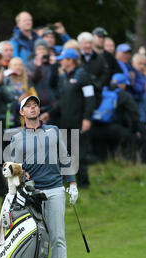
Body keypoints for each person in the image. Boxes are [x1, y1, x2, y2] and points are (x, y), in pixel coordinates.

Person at [10, 95, 78, 258]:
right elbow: (15, 169)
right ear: (21, 112)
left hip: (55, 189)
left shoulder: (53, 130)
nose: (33, 108)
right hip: (32, 193)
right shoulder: (16, 138)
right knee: (30, 236)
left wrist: (72, 183)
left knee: (57, 235)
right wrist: (22, 176)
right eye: (28, 106)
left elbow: (64, 158)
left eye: (35, 105)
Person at [41, 48, 96, 188]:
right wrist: (50, 113)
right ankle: (67, 182)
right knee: (65, 153)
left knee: (80, 153)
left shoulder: (83, 76)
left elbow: (90, 98)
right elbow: (61, 101)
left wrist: (87, 118)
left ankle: (84, 184)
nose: (61, 63)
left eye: (63, 60)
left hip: (79, 121)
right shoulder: (64, 78)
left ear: (70, 60)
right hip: (65, 122)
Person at [25, 39, 59, 115]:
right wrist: (38, 67)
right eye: (39, 49)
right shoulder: (29, 64)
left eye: (44, 49)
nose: (42, 51)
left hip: (50, 106)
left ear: (47, 51)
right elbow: (32, 81)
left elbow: (55, 83)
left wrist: (54, 67)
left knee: (51, 127)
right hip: (34, 106)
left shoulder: (52, 64)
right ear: (35, 51)